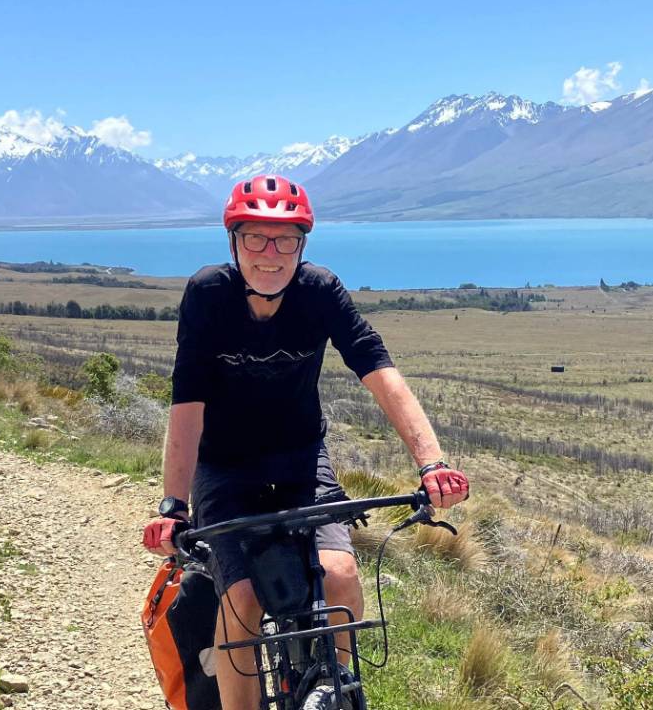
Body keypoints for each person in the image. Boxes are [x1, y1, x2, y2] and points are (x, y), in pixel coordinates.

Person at [141, 174, 470, 709]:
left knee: (339, 574)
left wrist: (432, 462)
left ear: (302, 245)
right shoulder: (208, 295)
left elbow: (377, 367)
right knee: (241, 601)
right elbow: (187, 402)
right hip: (223, 469)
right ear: (234, 242)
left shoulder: (319, 292)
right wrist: (174, 506)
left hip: (301, 463)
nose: (271, 254)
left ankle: (333, 692)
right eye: (256, 238)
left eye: (286, 239)